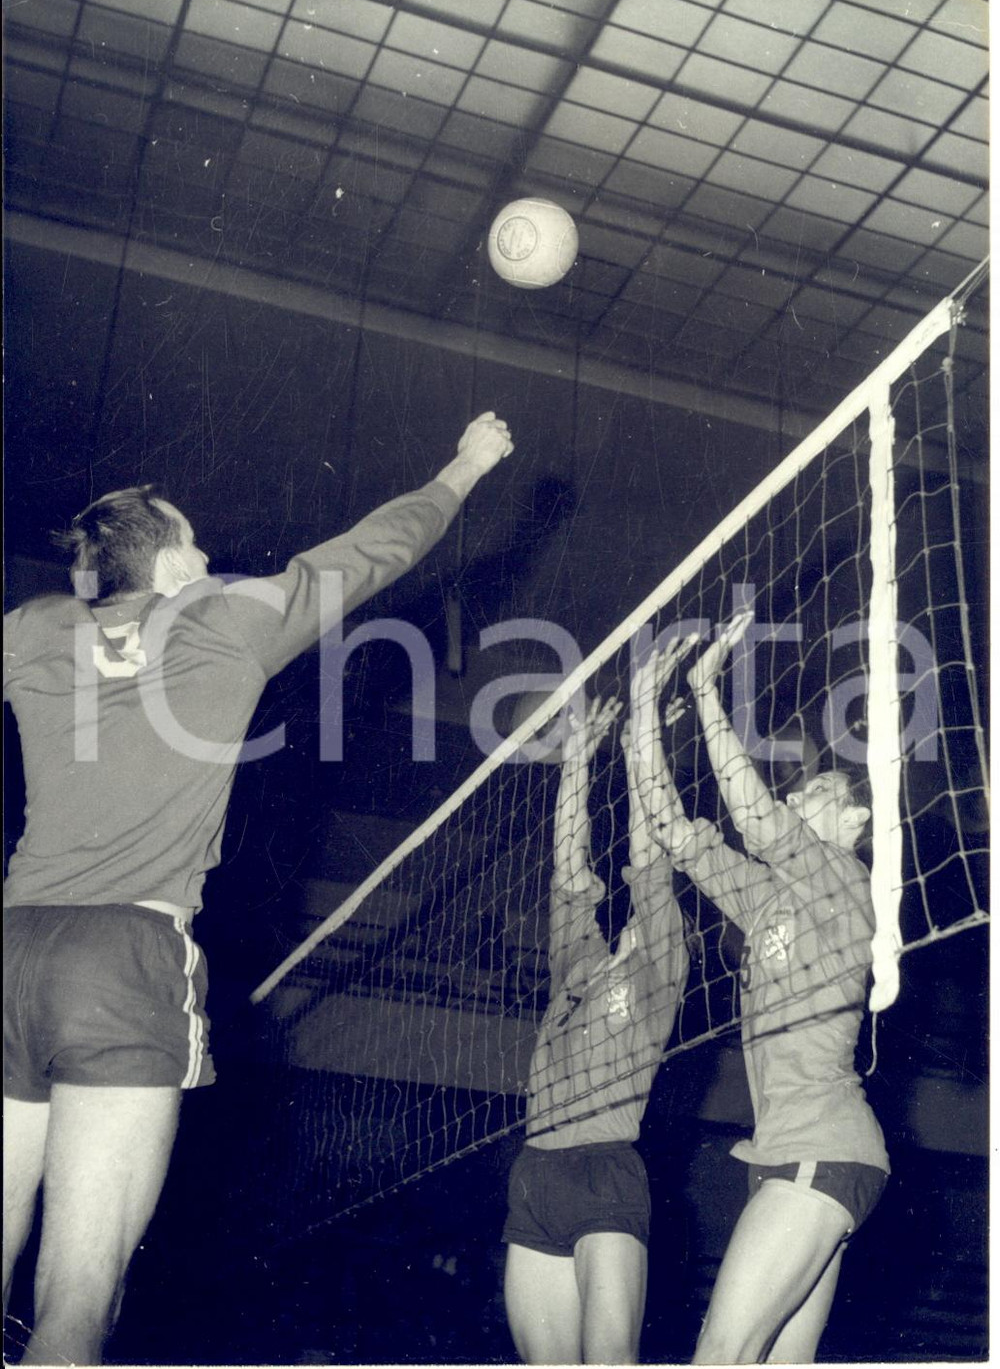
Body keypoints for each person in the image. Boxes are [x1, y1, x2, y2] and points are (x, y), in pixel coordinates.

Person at [2, 410, 515, 1366]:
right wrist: (467, 465)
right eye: (194, 541)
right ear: (173, 567)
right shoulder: (225, 619)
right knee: (78, 1295)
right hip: (124, 958)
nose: (207, 553)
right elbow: (378, 548)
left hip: (11, 948)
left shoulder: (33, 628)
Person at [629, 617, 889, 1364]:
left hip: (821, 1149)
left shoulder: (842, 881)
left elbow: (755, 817)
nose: (802, 793)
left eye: (822, 790)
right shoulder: (772, 900)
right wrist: (646, 710)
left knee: (719, 1353)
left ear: (855, 818)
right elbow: (677, 832)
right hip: (790, 1155)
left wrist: (708, 694)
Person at [502, 693, 690, 1365]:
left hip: (605, 1173)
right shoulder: (577, 960)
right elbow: (568, 862)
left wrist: (644, 746)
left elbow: (652, 855)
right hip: (535, 1174)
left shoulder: (663, 967)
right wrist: (577, 759)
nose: (641, 901)